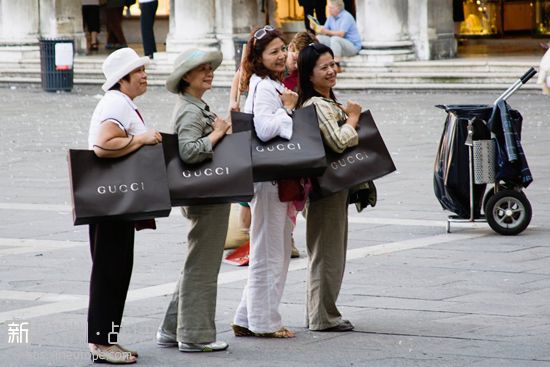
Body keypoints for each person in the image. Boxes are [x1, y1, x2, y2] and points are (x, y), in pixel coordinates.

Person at [87, 47, 162, 364]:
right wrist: (141, 140)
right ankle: (101, 344)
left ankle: (108, 340)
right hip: (110, 203)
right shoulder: (115, 103)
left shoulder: (122, 103)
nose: (145, 76)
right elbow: (103, 145)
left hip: (117, 201)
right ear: (123, 78)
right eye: (139, 71)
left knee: (117, 270)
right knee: (109, 270)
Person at [155, 48, 232, 353]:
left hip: (206, 192)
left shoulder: (195, 105)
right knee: (203, 265)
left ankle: (171, 330)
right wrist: (217, 135)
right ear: (186, 77)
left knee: (196, 263)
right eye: (202, 69)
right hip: (205, 195)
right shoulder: (189, 109)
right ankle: (196, 335)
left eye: (210, 68)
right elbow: (187, 151)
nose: (209, 72)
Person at [232, 25, 298, 338]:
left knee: (269, 247)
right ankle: (264, 322)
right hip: (269, 179)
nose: (281, 55)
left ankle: (247, 317)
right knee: (271, 251)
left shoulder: (266, 83)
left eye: (283, 49)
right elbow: (265, 128)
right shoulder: (263, 87)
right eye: (273, 52)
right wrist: (287, 110)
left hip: (270, 178)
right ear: (258, 57)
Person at [297, 42, 361, 332]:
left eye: (333, 64)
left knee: (330, 251)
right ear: (309, 75)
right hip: (325, 189)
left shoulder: (326, 100)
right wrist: (354, 120)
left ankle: (322, 312)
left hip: (334, 187)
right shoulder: (316, 104)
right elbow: (336, 141)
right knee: (326, 253)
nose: (332, 70)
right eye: (324, 67)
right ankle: (323, 317)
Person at [317, 0, 361, 69]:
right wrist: (316, 28)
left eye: (331, 8)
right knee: (319, 38)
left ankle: (336, 65)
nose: (329, 9)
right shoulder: (330, 17)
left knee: (335, 39)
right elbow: (324, 31)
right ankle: (319, 61)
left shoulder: (346, 16)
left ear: (337, 8)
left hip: (352, 46)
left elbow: (341, 34)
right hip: (338, 44)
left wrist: (326, 31)